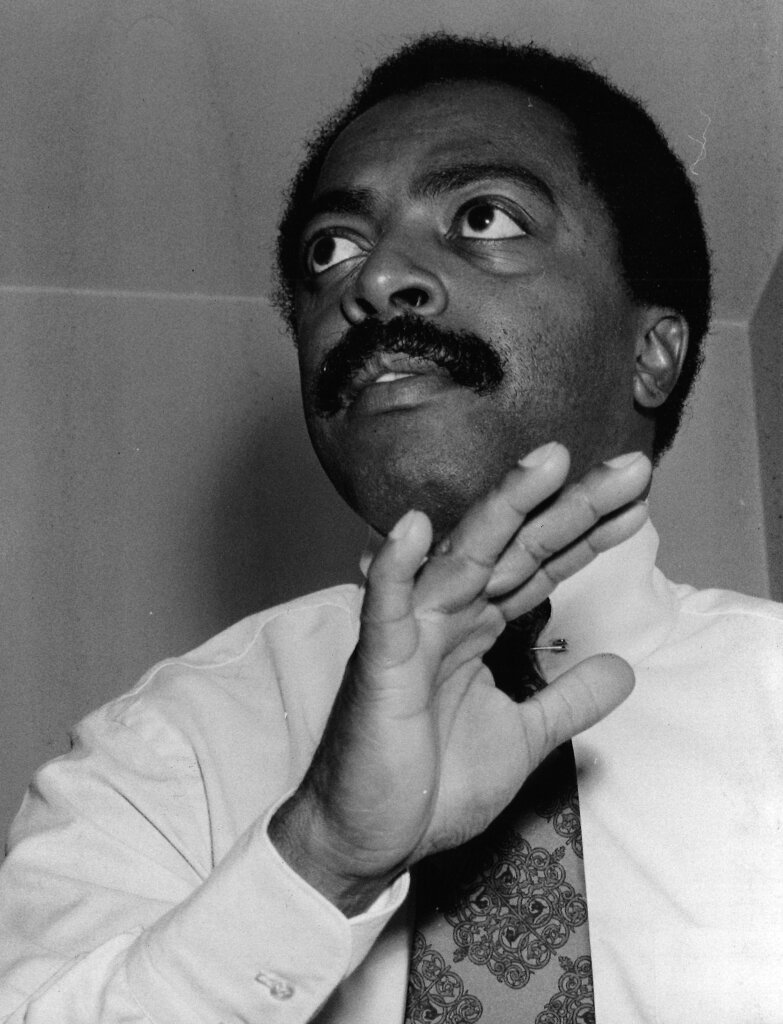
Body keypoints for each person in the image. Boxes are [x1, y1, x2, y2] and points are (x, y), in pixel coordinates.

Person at [0, 32, 780, 1024]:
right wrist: (319, 858)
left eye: (484, 216)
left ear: (652, 354)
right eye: (331, 249)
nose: (370, 282)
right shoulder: (162, 751)